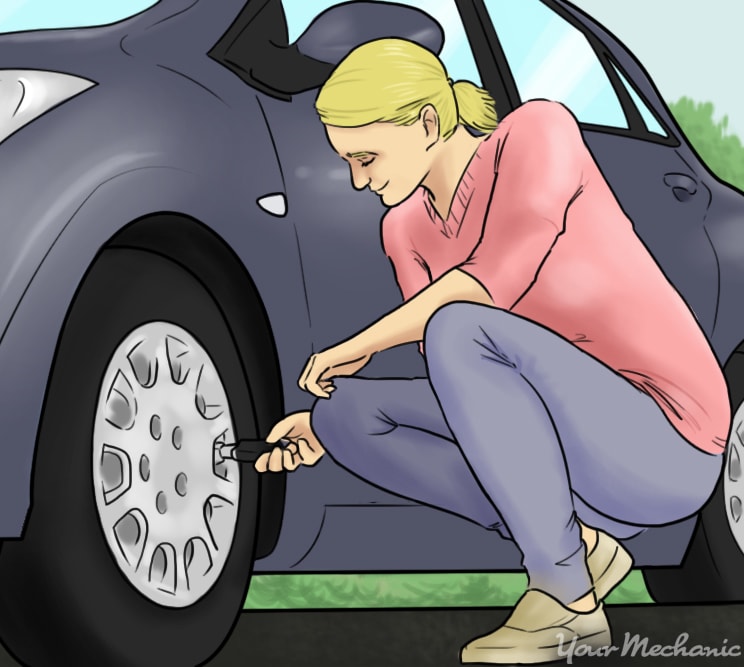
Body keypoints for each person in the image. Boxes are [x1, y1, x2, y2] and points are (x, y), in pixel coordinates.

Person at [253, 38, 729, 664]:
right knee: (346, 415)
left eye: (366, 156)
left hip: (666, 440)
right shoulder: (404, 228)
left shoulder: (537, 133)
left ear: (427, 122)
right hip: (569, 453)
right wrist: (324, 429)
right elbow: (469, 391)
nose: (358, 180)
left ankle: (566, 599)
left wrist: (357, 346)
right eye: (347, 162)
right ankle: (578, 548)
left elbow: (490, 285)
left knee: (459, 325)